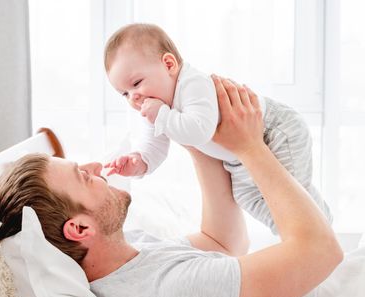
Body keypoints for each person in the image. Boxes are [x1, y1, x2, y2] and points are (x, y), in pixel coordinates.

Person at [0, 77, 343, 297]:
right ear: (78, 228)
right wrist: (249, 147)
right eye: (82, 175)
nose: (95, 166)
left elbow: (223, 241)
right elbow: (323, 251)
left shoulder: (127, 258)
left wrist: (193, 135)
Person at [103, 23, 332, 234]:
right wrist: (139, 161)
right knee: (247, 197)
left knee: (290, 196)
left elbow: (199, 131)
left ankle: (313, 227)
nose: (134, 97)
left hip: (275, 131)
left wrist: (162, 115)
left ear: (169, 64)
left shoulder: (193, 83)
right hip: (238, 159)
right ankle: (296, 233)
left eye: (136, 84)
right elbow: (154, 145)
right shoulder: (155, 108)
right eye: (124, 93)